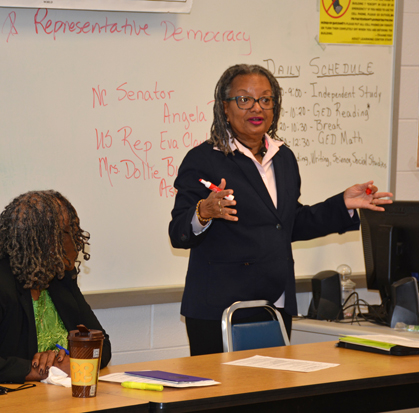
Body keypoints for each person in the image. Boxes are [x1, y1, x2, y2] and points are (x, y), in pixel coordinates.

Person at [168, 64, 392, 356]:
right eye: (244, 99)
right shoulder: (204, 160)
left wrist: (342, 204)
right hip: (220, 309)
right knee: (225, 400)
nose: (255, 107)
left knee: (271, 396)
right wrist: (203, 212)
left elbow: (287, 224)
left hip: (275, 302)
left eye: (265, 99)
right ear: (224, 107)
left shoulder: (283, 157)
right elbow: (178, 233)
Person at [0, 190, 112, 384]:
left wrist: (73, 360)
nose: (78, 242)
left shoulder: (60, 279)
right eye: (71, 232)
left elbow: (102, 348)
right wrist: (38, 370)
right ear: (49, 240)